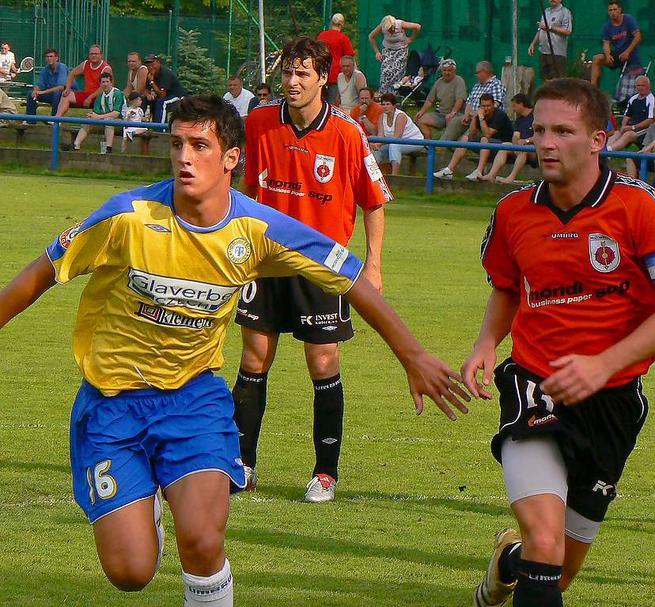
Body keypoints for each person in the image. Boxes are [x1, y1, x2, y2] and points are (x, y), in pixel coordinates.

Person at [0, 93, 470, 605]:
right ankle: (147, 505)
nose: (184, 157)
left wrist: (412, 355)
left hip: (193, 400)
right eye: (177, 144)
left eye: (199, 145)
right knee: (130, 572)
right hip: (112, 404)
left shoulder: (258, 229)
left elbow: (349, 276)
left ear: (230, 158)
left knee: (203, 541)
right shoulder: (127, 217)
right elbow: (38, 275)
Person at [463, 77, 655, 607]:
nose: (546, 143)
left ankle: (508, 561)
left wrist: (603, 365)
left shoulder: (640, 208)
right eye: (539, 130)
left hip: (613, 402)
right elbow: (507, 287)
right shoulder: (513, 211)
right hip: (535, 386)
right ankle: (528, 555)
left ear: (598, 139)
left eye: (563, 131)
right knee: (545, 545)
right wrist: (486, 343)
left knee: (559, 571)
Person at [233, 36, 393, 503]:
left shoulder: (347, 132)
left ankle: (325, 473)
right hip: (265, 260)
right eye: (287, 72)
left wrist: (374, 266)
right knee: (253, 359)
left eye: (303, 73)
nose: (293, 81)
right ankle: (242, 465)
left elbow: (374, 202)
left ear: (324, 78)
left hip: (323, 265)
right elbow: (247, 191)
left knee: (323, 361)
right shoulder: (260, 122)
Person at [434, 92, 513, 181]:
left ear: (493, 105)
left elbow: (488, 134)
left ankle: (478, 171)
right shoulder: (480, 115)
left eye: (488, 106)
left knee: (484, 139)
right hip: (488, 146)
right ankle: (449, 170)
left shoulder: (500, 115)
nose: (486, 108)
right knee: (465, 138)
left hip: (503, 147)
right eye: (483, 106)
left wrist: (481, 118)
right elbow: (472, 134)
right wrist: (475, 118)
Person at [444, 61, 507, 144]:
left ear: (485, 72)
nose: (476, 75)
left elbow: (494, 105)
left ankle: (459, 146)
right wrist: (466, 115)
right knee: (455, 122)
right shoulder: (477, 85)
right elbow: (469, 101)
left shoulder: (496, 84)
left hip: (485, 120)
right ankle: (441, 145)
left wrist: (477, 115)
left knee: (465, 138)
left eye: (477, 72)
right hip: (471, 117)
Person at [480, 93, 536, 184]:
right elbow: (516, 135)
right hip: (521, 147)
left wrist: (526, 141)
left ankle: (511, 177)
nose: (513, 109)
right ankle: (491, 175)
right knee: (504, 146)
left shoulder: (536, 116)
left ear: (521, 104)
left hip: (534, 148)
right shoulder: (519, 120)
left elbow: (541, 136)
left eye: (514, 106)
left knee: (524, 149)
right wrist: (515, 145)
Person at [591, 1, 642, 87]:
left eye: (615, 9)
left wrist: (627, 52)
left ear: (620, 10)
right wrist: (607, 55)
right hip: (618, 56)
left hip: (631, 55)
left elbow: (638, 37)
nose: (613, 12)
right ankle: (593, 89)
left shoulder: (628, 19)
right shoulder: (606, 26)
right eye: (610, 10)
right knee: (596, 59)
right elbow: (606, 43)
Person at [72, 72, 126, 153]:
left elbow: (116, 113)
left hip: (123, 121)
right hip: (104, 120)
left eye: (107, 82)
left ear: (111, 83)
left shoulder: (118, 94)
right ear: (100, 84)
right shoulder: (100, 96)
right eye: (103, 82)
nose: (105, 84)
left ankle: (108, 148)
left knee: (109, 121)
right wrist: (91, 115)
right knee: (88, 121)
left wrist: (98, 117)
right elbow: (96, 113)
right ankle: (76, 145)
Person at [372, 92, 424, 175]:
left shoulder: (400, 116)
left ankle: (394, 175)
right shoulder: (382, 117)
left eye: (388, 104)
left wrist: (380, 143)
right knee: (376, 150)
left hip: (415, 141)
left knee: (394, 146)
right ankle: (373, 174)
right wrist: (376, 145)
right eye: (383, 104)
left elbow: (397, 137)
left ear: (394, 105)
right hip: (396, 142)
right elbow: (380, 136)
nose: (385, 107)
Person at [415, 58, 467, 141]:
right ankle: (428, 143)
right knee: (420, 119)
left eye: (449, 70)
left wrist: (453, 112)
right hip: (441, 115)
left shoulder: (459, 81)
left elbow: (460, 99)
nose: (447, 73)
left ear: (454, 71)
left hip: (457, 115)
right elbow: (430, 100)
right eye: (444, 70)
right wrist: (421, 112)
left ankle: (446, 143)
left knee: (451, 120)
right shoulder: (439, 82)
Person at [368, 15, 421, 94]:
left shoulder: (400, 24)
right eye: (389, 30)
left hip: (401, 51)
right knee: (385, 72)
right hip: (388, 50)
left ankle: (394, 95)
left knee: (396, 73)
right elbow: (371, 37)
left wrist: (410, 39)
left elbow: (417, 27)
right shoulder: (382, 26)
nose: (391, 31)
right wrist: (377, 52)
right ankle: (384, 94)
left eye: (392, 28)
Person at [56, 44, 112, 117]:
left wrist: (90, 97)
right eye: (91, 54)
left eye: (96, 54)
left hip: (101, 97)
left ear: (101, 55)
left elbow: (104, 88)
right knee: (66, 95)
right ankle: (57, 119)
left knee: (92, 118)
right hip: (87, 95)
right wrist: (67, 88)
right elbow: (72, 73)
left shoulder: (106, 68)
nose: (93, 56)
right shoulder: (85, 64)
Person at [606, 75, 654, 152]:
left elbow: (650, 120)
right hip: (631, 128)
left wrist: (632, 127)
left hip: (645, 131)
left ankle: (609, 150)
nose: (640, 87)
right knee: (616, 133)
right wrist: (623, 127)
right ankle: (605, 150)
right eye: (638, 85)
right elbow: (627, 116)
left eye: (643, 85)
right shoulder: (633, 99)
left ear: (648, 86)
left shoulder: (651, 100)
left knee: (628, 135)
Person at [528, 0, 573, 81]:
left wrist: (550, 27)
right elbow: (541, 29)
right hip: (544, 51)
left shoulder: (565, 12)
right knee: (545, 80)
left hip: (557, 53)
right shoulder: (546, 11)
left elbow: (567, 31)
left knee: (558, 81)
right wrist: (533, 44)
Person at [317, 12, 355, 104]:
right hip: (336, 74)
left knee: (319, 101)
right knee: (333, 102)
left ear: (331, 22)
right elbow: (349, 57)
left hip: (322, 71)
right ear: (342, 24)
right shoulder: (343, 38)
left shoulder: (321, 36)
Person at [25, 48, 70, 123]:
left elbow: (61, 87)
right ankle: (30, 121)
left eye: (51, 56)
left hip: (67, 96)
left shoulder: (62, 67)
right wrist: (35, 91)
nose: (49, 58)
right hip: (52, 95)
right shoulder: (45, 69)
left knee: (57, 93)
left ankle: (55, 119)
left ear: (56, 58)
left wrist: (44, 92)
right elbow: (40, 84)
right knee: (30, 94)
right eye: (47, 57)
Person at [145, 54, 186, 123]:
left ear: (158, 63)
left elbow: (162, 95)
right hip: (165, 96)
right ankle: (143, 124)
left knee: (162, 102)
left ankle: (159, 127)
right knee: (144, 100)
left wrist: (152, 82)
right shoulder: (150, 73)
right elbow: (146, 88)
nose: (150, 67)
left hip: (177, 96)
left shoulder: (165, 73)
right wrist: (148, 95)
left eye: (152, 64)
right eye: (148, 65)